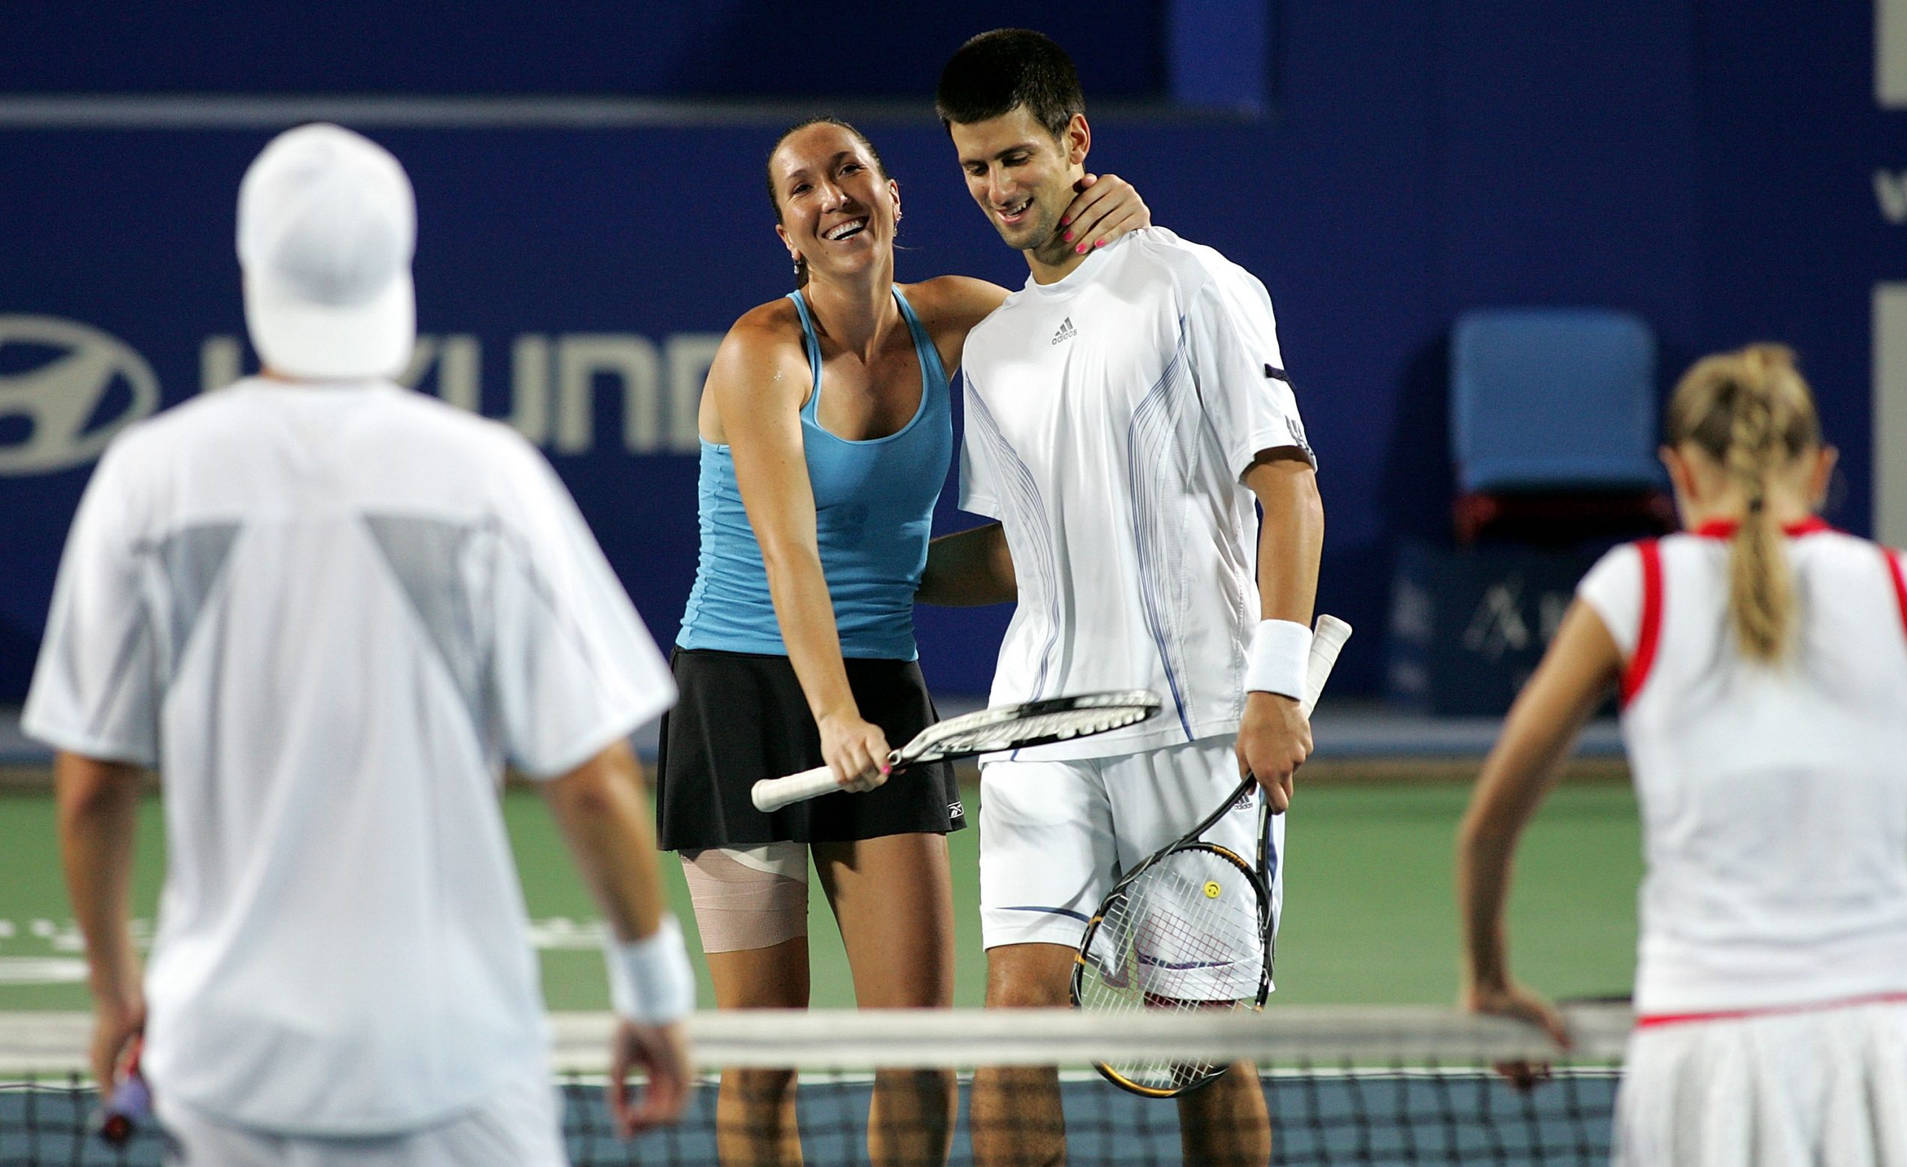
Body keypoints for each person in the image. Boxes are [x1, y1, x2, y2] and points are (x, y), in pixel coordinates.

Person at [24, 123, 695, 1165]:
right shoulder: (488, 479)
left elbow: (92, 786)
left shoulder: (146, 481)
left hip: (226, 1073)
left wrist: (116, 994)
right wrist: (654, 994)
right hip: (453, 1068)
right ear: (402, 270)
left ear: (252, 270)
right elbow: (595, 784)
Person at [653, 111, 1149, 1166]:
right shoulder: (760, 351)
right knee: (764, 1056)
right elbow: (793, 558)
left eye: (849, 173)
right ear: (786, 230)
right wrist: (832, 715)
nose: (831, 196)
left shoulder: (963, 317)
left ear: (892, 198)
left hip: (879, 682)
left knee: (918, 1048)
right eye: (803, 187)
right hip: (742, 695)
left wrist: (1118, 233)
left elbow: (1083, 314)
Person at [922, 29, 1325, 1166]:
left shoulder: (1193, 284)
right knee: (1012, 1025)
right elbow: (1011, 560)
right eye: (975, 167)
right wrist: (873, 570)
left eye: (1017, 158)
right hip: (1038, 729)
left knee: (1203, 1049)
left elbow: (1291, 498)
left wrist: (1274, 689)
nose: (999, 188)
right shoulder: (994, 347)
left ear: (1075, 142)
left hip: (1194, 725)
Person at [1458, 344, 1907, 1164]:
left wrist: (1489, 978)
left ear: (1679, 471)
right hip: (1887, 1054)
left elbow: (1489, 825)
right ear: (1820, 469)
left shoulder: (1634, 587)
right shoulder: (1902, 587)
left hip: (1701, 1055)